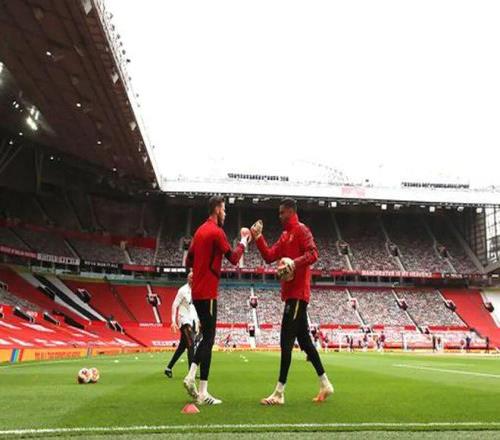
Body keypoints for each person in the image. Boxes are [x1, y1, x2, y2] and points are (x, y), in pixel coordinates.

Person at [251, 198, 333, 405]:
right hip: (290, 294)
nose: (279, 216)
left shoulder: (302, 230)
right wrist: (258, 237)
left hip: (298, 294)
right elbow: (269, 256)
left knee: (286, 340)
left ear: (290, 211)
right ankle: (325, 384)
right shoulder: (285, 235)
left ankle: (279, 392)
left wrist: (293, 264)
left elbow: (313, 253)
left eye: (282, 213)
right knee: (305, 341)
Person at [183, 195, 251, 405]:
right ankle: (196, 383)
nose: (225, 213)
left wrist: (195, 271)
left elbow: (188, 259)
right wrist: (244, 241)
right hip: (208, 292)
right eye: (224, 209)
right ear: (217, 210)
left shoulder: (199, 231)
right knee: (209, 339)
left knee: (206, 337)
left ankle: (198, 386)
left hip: (197, 293)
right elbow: (234, 258)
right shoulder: (216, 232)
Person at [165, 272, 198, 378]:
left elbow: (194, 307)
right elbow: (175, 305)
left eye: (194, 277)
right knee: (191, 344)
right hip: (184, 320)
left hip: (191, 319)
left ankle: (168, 368)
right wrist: (173, 321)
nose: (192, 279)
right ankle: (191, 373)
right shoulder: (182, 290)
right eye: (190, 277)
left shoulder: (196, 290)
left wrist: (198, 320)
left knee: (182, 347)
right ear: (188, 279)